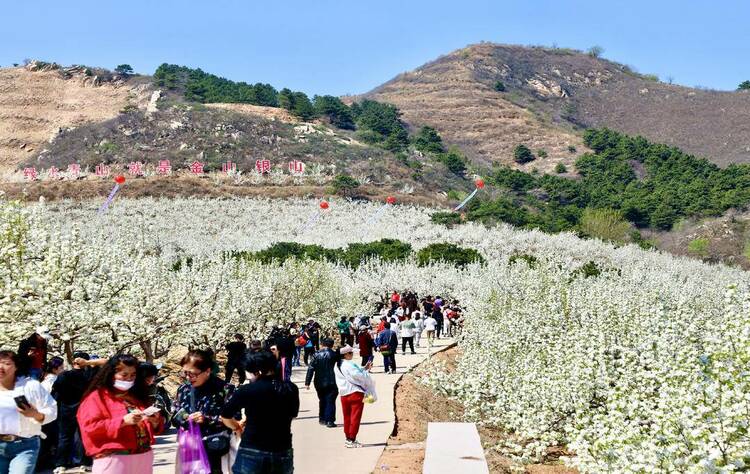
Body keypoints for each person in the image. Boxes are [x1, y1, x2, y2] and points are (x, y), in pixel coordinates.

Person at [77, 354, 163, 474]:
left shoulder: (135, 398)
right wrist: (122, 422)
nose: (129, 379)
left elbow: (151, 427)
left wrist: (154, 422)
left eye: (133, 375)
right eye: (124, 375)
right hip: (115, 460)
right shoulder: (96, 398)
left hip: (143, 457)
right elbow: (90, 427)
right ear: (111, 375)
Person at [220, 350, 299, 474]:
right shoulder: (290, 388)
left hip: (252, 449)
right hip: (282, 449)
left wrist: (237, 427)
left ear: (257, 371)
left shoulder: (247, 390)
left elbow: (226, 416)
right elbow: (292, 414)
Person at [173, 349, 236, 474]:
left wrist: (208, 419)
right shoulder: (183, 389)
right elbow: (174, 416)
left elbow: (235, 420)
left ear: (207, 371)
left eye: (192, 374)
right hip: (190, 449)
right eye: (184, 373)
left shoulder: (225, 390)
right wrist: (184, 418)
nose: (187, 377)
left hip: (216, 448)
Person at [0, 350, 57, 474]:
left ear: (16, 367)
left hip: (25, 445)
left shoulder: (31, 386)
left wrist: (35, 414)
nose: (1, 367)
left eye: (6, 363)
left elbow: (52, 410)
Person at [51, 352, 94, 473]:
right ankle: (85, 463)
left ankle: (61, 464)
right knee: (83, 437)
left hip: (66, 409)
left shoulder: (64, 376)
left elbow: (56, 391)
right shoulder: (89, 376)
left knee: (64, 437)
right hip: (84, 409)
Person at [334, 346, 376, 448]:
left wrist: (364, 368)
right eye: (351, 353)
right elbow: (358, 376)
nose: (352, 355)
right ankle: (352, 439)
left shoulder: (337, 365)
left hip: (344, 394)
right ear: (345, 354)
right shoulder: (349, 365)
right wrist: (366, 374)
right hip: (355, 393)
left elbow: (353, 373)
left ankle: (348, 438)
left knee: (347, 417)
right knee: (355, 417)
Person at [304, 338, 338, 428]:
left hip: (318, 381)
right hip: (331, 380)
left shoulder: (316, 354)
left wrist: (307, 382)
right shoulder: (334, 354)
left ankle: (322, 418)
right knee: (330, 400)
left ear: (322, 344)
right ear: (332, 345)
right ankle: (330, 420)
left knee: (322, 399)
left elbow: (311, 368)